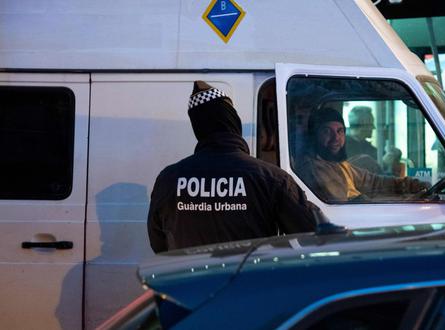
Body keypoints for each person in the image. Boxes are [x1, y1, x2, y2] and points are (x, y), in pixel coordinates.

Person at [147, 81, 317, 253]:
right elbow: (313, 231)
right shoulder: (271, 178)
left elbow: (159, 246)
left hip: (188, 279)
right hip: (249, 279)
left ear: (198, 127)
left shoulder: (168, 179)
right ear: (232, 121)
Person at [296, 107, 429, 203]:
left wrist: (410, 185)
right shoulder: (313, 168)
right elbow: (343, 204)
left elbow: (374, 182)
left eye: (340, 131)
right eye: (327, 132)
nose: (335, 138)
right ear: (315, 136)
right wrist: (404, 200)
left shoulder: (338, 164)